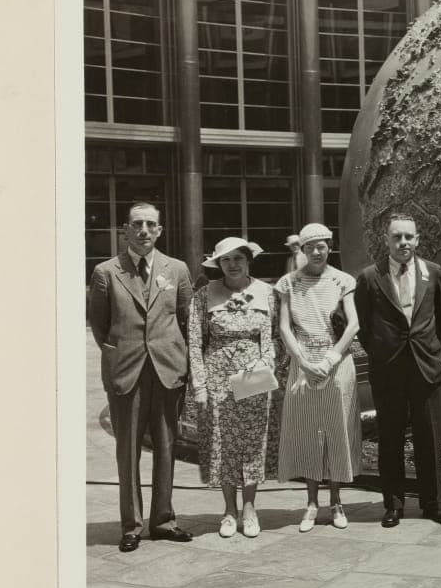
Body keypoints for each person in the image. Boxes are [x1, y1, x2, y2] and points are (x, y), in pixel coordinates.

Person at [87, 202, 194, 552]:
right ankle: (131, 526)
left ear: (160, 230)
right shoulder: (106, 271)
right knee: (127, 449)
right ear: (126, 230)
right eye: (137, 224)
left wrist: (183, 364)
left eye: (151, 224)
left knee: (166, 447)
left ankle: (163, 521)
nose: (144, 230)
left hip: (167, 370)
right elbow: (99, 324)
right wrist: (118, 352)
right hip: (126, 370)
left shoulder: (176, 269)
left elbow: (185, 319)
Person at [354, 213, 441, 528]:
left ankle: (434, 504)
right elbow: (363, 325)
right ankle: (393, 505)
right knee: (391, 437)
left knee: (429, 436)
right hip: (388, 368)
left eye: (408, 237)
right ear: (386, 240)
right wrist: (382, 350)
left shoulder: (433, 273)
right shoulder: (370, 277)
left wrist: (427, 346)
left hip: (425, 365)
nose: (403, 243)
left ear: (418, 239)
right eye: (397, 237)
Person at [188, 237, 281, 539]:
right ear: (218, 264)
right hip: (217, 374)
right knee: (223, 443)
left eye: (238, 258)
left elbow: (274, 337)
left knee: (252, 442)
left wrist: (264, 369)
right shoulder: (204, 295)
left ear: (248, 259)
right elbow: (194, 342)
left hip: (254, 372)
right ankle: (229, 510)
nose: (233, 264)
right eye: (226, 260)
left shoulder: (267, 293)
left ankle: (250, 507)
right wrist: (200, 386)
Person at [275, 223, 362, 532]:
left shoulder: (343, 280)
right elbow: (285, 328)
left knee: (337, 429)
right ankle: (311, 502)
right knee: (310, 430)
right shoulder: (288, 283)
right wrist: (303, 361)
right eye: (309, 246)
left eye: (321, 245)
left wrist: (330, 358)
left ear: (329, 246)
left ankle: (337, 500)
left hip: (336, 363)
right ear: (302, 249)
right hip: (303, 364)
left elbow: (352, 325)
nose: (316, 251)